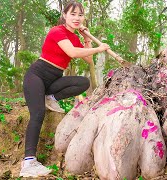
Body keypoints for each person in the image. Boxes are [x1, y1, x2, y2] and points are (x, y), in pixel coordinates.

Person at [20, 1, 110, 177]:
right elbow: (73, 53)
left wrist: (86, 40)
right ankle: (28, 162)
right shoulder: (57, 31)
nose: (77, 18)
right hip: (36, 76)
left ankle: (51, 97)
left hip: (54, 79)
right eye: (73, 14)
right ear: (65, 15)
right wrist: (100, 48)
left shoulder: (75, 37)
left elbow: (89, 60)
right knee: (38, 114)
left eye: (80, 14)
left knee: (82, 83)